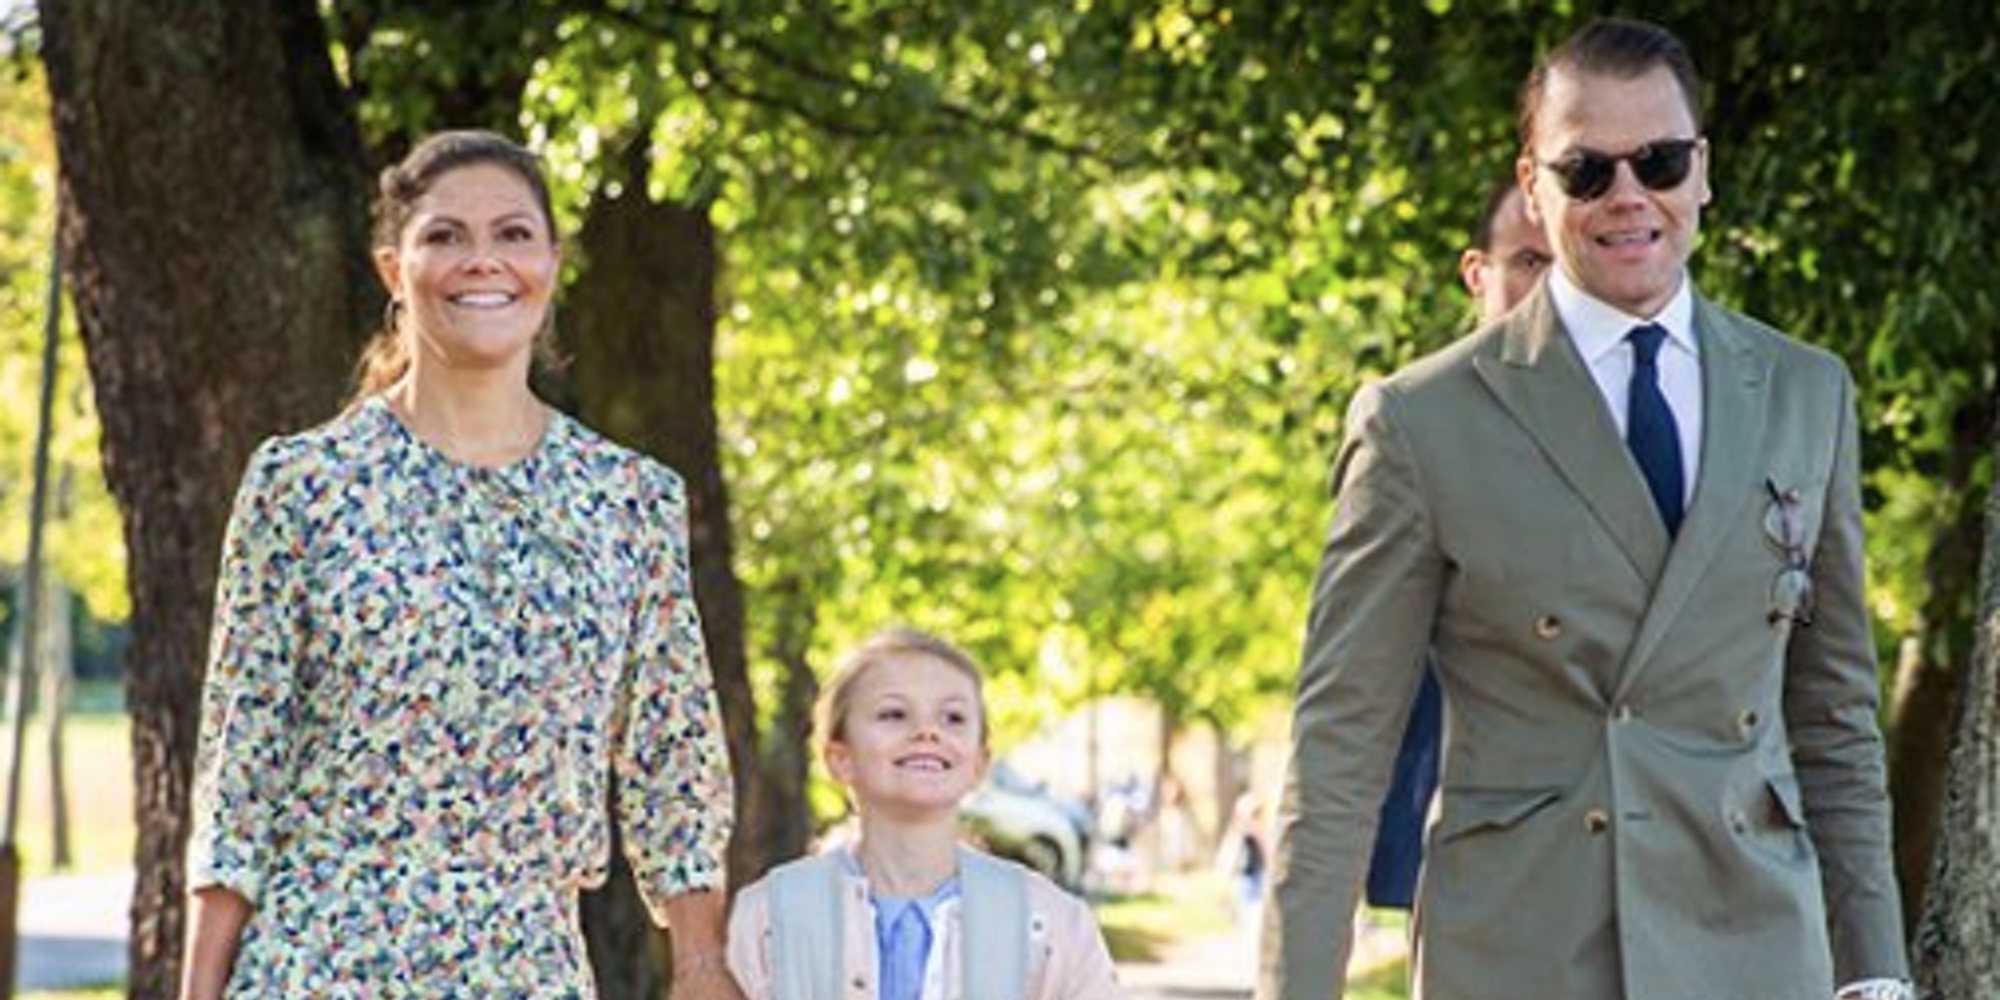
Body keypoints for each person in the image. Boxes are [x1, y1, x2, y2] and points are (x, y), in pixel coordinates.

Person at [1262, 19, 1910, 1000]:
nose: (1627, 197)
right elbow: (1340, 750)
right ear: (1533, 185)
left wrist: (1874, 976)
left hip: (1752, 946)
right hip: (1523, 949)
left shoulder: (1801, 392)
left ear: (1701, 171)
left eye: (1656, 160)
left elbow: (1832, 719)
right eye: (1585, 172)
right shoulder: (1418, 422)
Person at [180, 130, 742, 1000]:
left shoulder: (628, 502)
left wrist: (702, 966)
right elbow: (240, 768)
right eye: (445, 236)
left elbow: (674, 762)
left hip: (526, 965)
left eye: (514, 234)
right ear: (392, 271)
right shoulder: (303, 484)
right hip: (318, 962)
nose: (483, 260)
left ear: (552, 264)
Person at [726, 628, 1122, 999]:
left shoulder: (1053, 925)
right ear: (840, 759)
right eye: (894, 714)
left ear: (979, 763)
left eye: (953, 717)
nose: (927, 731)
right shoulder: (768, 917)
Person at [1364, 177, 1555, 913]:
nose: (1549, 289)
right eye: (1529, 262)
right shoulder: (1416, 424)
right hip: (1460, 828)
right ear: (1479, 274)